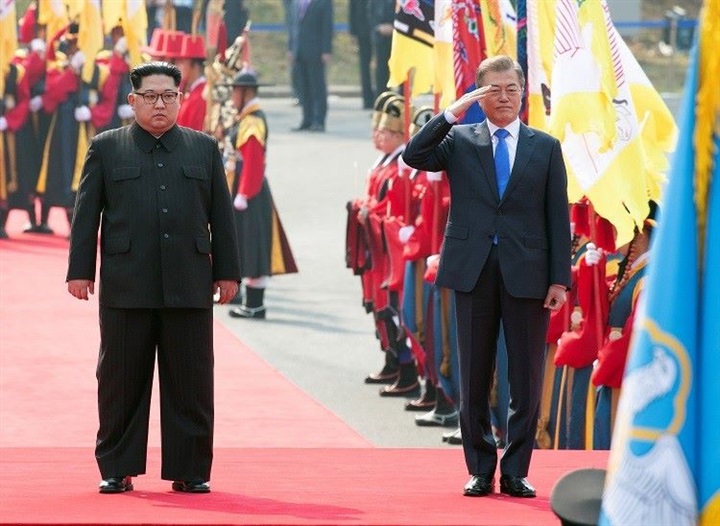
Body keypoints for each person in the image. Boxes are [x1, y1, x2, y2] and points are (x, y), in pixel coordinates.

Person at [66, 61, 241, 494]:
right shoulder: (107, 148)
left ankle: (191, 469)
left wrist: (228, 273)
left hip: (189, 281)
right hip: (128, 284)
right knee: (120, 381)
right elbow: (86, 215)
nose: (159, 104)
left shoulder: (203, 148)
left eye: (168, 96)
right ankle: (117, 467)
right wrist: (79, 271)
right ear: (133, 101)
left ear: (180, 100)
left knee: (192, 381)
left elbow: (221, 214)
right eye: (150, 96)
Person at [402, 55, 571, 498]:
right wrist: (450, 113)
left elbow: (558, 218)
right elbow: (414, 154)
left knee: (526, 377)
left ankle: (516, 468)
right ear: (479, 95)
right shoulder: (460, 139)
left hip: (528, 274)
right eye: (492, 90)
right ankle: (480, 466)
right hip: (472, 269)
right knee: (473, 373)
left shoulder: (544, 146)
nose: (503, 97)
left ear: (522, 93)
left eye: (511, 89)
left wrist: (559, 280)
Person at [221, 70, 297, 319]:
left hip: (250, 194)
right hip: (245, 190)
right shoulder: (247, 117)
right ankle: (250, 303)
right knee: (247, 245)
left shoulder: (252, 121)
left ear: (246, 93)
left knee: (253, 247)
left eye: (235, 91)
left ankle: (254, 305)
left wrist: (243, 194)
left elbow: (252, 162)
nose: (232, 96)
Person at [288, 0, 333, 132]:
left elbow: (327, 26)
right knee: (303, 87)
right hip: (299, 50)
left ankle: (319, 120)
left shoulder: (323, 3)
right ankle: (306, 119)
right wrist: (291, 48)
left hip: (316, 51)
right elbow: (293, 26)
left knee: (317, 87)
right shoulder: (296, 3)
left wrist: (326, 50)